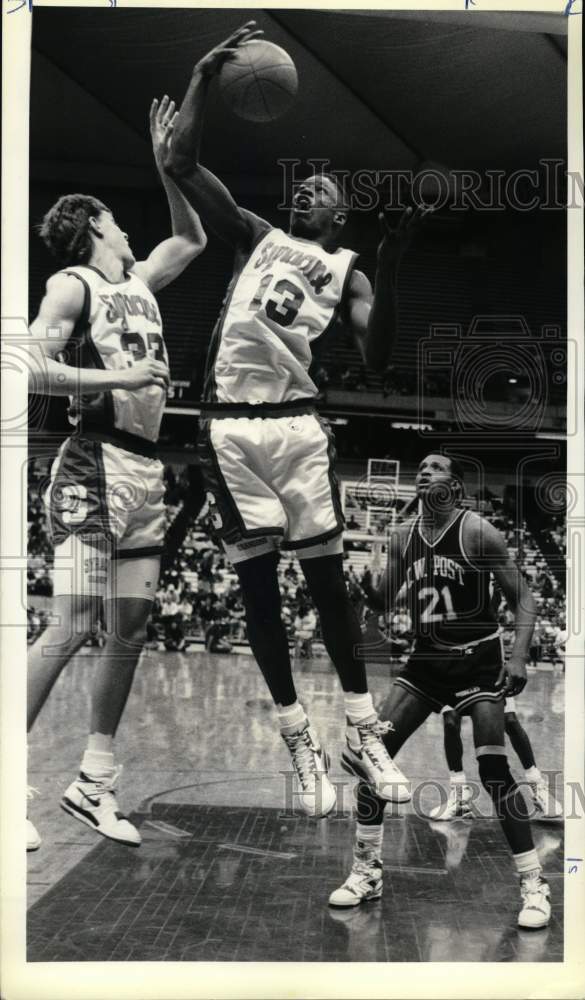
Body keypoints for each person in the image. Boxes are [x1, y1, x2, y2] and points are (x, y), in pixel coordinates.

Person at [165, 21, 430, 818]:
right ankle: (295, 737)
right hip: (228, 427)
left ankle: (360, 730)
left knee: (326, 585)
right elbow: (180, 161)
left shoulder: (348, 266)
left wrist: (388, 264)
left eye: (324, 186)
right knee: (253, 586)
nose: (308, 187)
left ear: (343, 212)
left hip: (298, 425)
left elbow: (378, 357)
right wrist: (205, 77)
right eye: (303, 183)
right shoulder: (257, 234)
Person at [26, 96, 207, 851]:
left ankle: (92, 780)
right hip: (92, 466)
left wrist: (168, 166)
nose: (131, 232)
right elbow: (31, 366)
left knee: (127, 631)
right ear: (98, 222)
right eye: (118, 220)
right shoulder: (75, 283)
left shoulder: (138, 284)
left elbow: (190, 237)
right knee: (70, 623)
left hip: (143, 475)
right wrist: (120, 380)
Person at [329, 454, 552, 930]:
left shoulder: (477, 532)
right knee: (375, 754)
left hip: (478, 661)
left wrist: (517, 657)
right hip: (426, 661)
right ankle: (367, 870)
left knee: (493, 768)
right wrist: (355, 584)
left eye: (435, 466)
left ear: (454, 484)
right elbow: (384, 599)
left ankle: (534, 883)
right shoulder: (403, 536)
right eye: (421, 466)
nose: (424, 470)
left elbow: (525, 598)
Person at [430, 697, 563, 821]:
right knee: (450, 722)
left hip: (488, 674)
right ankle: (459, 797)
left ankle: (537, 786)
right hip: (455, 674)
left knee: (509, 720)